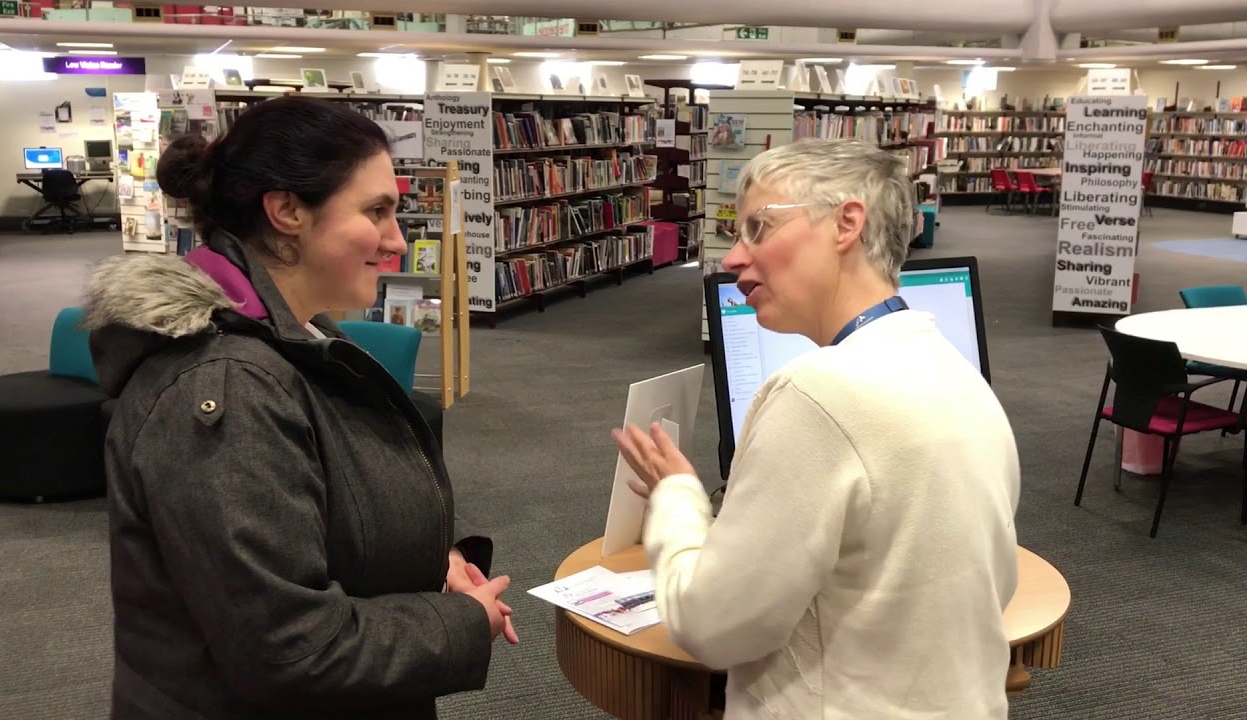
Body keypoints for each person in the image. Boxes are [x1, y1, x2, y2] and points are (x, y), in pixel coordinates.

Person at [83, 96, 516, 720]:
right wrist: (456, 623)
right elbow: (288, 649)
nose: (398, 240)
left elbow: (328, 512)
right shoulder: (226, 391)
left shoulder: (300, 344)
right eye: (376, 212)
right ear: (286, 210)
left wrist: (432, 561)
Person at [612, 138, 1020, 719]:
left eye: (759, 228)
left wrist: (677, 497)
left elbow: (711, 624)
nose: (732, 258)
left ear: (846, 223)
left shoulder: (815, 394)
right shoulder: (961, 378)